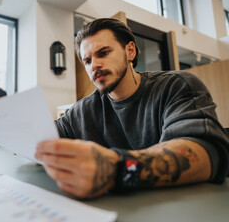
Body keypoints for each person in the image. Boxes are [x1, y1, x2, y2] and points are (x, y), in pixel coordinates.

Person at [35, 18, 229, 199]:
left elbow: (205, 154)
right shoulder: (82, 110)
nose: (95, 65)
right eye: (87, 61)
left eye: (103, 53)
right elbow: (41, 138)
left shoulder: (176, 86)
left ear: (130, 51)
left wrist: (114, 168)